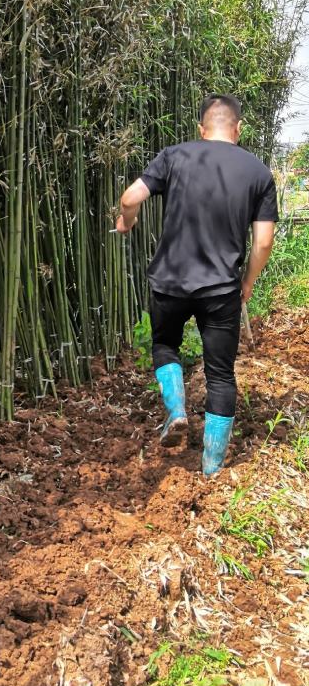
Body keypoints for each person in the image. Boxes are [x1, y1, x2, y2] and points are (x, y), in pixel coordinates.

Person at [115, 94, 277, 475]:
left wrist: (127, 222)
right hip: (220, 288)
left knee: (164, 345)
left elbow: (130, 196)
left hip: (169, 283)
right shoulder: (258, 172)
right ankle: (212, 466)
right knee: (220, 374)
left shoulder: (174, 155)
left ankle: (176, 411)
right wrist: (247, 284)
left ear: (202, 130)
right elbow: (264, 242)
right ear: (237, 129)